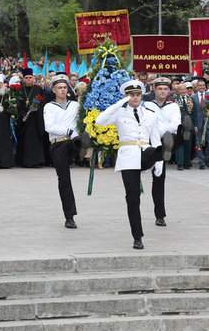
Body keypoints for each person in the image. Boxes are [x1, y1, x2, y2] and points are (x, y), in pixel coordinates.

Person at [95, 79, 171, 250]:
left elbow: (155, 135)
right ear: (126, 96)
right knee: (132, 198)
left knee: (156, 149)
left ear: (142, 95)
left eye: (137, 94)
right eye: (131, 95)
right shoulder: (119, 113)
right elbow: (100, 121)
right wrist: (120, 102)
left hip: (146, 151)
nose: (135, 98)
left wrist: (159, 160)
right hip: (128, 156)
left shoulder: (151, 112)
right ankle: (137, 237)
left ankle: (167, 150)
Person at [43, 74, 82, 229]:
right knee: (64, 180)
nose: (62, 90)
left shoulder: (75, 105)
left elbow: (80, 123)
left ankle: (86, 148)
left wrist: (76, 133)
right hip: (58, 144)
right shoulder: (49, 106)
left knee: (81, 138)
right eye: (59, 88)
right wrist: (68, 131)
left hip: (74, 142)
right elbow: (49, 127)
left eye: (65, 87)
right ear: (53, 90)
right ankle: (69, 216)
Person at [143, 77, 181, 227]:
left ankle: (160, 215)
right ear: (154, 89)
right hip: (149, 142)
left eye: (165, 89)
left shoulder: (173, 106)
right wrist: (160, 128)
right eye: (160, 88)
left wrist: (159, 129)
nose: (163, 91)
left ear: (169, 91)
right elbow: (146, 124)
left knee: (159, 178)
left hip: (165, 142)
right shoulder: (146, 105)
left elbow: (175, 125)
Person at [16, 68, 47, 168]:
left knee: (35, 141)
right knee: (24, 141)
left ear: (33, 78)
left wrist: (36, 107)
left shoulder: (38, 89)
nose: (28, 79)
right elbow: (17, 104)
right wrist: (22, 114)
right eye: (26, 78)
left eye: (30, 77)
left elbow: (42, 101)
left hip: (35, 119)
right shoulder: (20, 90)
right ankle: (24, 161)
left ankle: (36, 161)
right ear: (23, 79)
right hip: (24, 120)